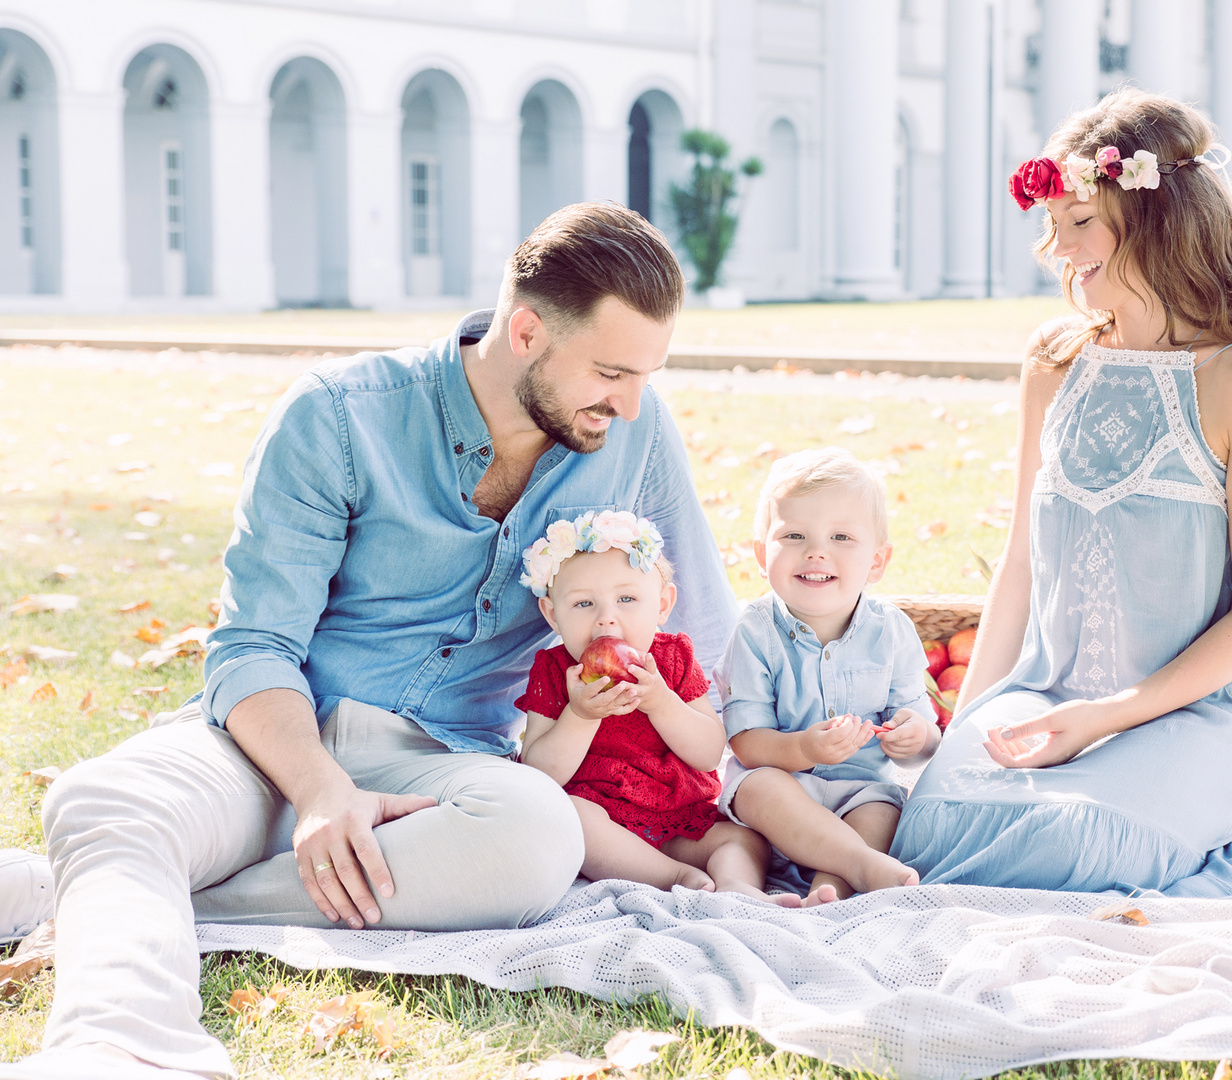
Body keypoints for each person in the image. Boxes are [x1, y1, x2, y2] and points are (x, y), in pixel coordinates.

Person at [1, 203, 735, 1080]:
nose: (630, 402)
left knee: (540, 838)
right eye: (612, 371)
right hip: (279, 741)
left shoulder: (633, 434)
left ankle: (124, 890)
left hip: (450, 771)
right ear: (529, 331)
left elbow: (704, 626)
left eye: (646, 375)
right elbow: (254, 644)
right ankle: (120, 1049)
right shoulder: (339, 416)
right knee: (102, 798)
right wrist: (318, 793)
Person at [890, 89, 1232, 895]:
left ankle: (1225, 798)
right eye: (1050, 222)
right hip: (1046, 695)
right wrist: (961, 733)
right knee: (931, 830)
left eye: (1078, 221)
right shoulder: (1053, 360)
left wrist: (1107, 716)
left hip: (1200, 715)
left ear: (1158, 219)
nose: (1055, 246)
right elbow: (1019, 564)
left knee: (1085, 847)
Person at [516, 509, 798, 906]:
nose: (606, 620)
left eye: (627, 599)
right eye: (583, 604)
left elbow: (706, 754)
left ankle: (737, 887)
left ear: (663, 605)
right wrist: (580, 717)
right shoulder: (555, 672)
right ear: (552, 615)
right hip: (608, 829)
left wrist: (662, 703)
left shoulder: (672, 660)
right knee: (570, 816)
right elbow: (540, 775)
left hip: (678, 817)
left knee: (741, 838)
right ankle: (675, 879)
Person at [716, 448, 939, 900]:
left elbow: (922, 732)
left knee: (884, 810)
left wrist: (915, 738)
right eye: (794, 535)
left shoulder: (891, 630)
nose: (816, 552)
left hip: (858, 792)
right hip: (776, 798)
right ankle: (858, 865)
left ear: (877, 561)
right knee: (758, 789)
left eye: (841, 537)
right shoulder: (756, 630)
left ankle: (830, 888)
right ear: (762, 554)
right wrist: (802, 747)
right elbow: (745, 740)